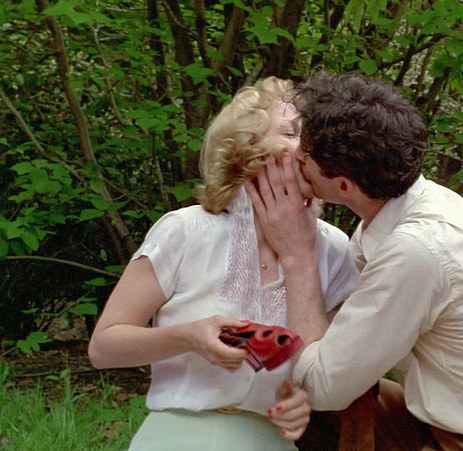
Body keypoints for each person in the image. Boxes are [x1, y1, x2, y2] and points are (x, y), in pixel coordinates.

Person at [247, 72, 463, 450]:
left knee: (306, 402)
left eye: (304, 156)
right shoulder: (414, 207)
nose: (294, 155)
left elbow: (322, 387)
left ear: (344, 186)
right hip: (444, 422)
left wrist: (297, 256)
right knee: (285, 397)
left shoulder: (417, 249)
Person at [87, 77, 358, 450]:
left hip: (269, 441)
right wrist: (188, 336)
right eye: (291, 133)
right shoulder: (185, 230)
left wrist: (301, 403)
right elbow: (103, 347)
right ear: (246, 146)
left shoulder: (335, 249)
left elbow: (324, 372)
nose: (308, 148)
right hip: (178, 436)